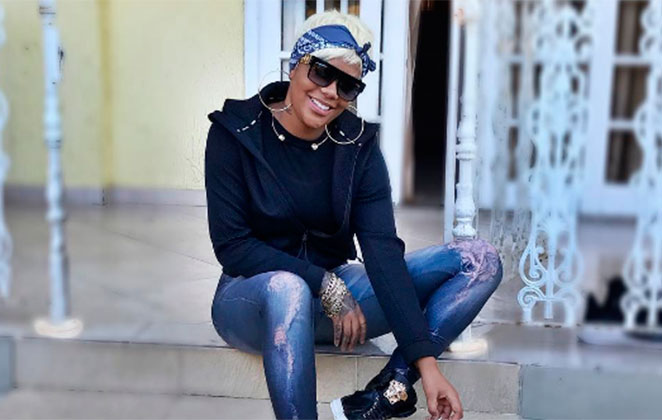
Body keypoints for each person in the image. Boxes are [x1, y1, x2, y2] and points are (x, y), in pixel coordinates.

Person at [206, 10, 502, 420]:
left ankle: (385, 394)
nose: (330, 92)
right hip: (253, 302)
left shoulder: (357, 145)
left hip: (340, 307)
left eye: (347, 85)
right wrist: (325, 284)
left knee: (479, 260)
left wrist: (424, 366)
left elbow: (382, 253)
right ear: (295, 65)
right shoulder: (235, 131)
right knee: (287, 288)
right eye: (322, 73)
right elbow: (233, 247)